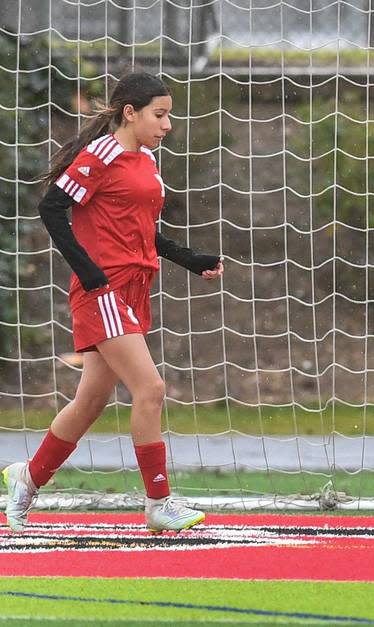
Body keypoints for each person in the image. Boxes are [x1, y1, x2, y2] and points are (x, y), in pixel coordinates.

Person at [3, 72, 223, 534]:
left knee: (91, 400)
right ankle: (159, 503)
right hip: (102, 291)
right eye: (159, 115)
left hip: (134, 289)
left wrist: (190, 259)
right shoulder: (101, 154)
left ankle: (27, 477)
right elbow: (52, 207)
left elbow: (141, 232)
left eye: (169, 115)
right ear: (130, 112)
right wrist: (88, 272)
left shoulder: (147, 161)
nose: (167, 125)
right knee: (151, 390)